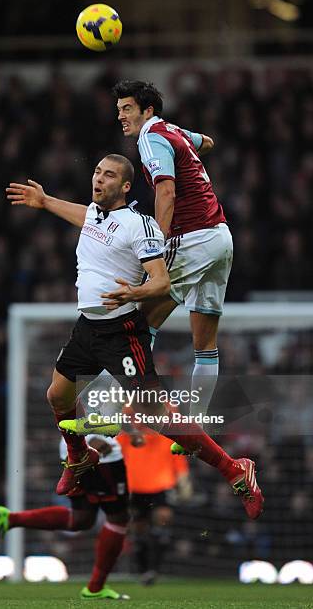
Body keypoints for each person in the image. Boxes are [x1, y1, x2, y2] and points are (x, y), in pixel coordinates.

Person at [6, 154, 264, 521]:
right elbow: (85, 219)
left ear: (125, 186)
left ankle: (233, 468)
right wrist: (45, 201)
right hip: (88, 328)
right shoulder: (97, 215)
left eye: (108, 175)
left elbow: (160, 281)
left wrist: (132, 295)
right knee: (57, 395)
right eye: (96, 172)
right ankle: (79, 456)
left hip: (121, 333)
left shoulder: (138, 225)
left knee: (158, 417)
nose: (98, 179)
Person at [112, 80, 234, 430]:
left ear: (147, 110)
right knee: (205, 343)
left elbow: (166, 189)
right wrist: (185, 150)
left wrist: (157, 244)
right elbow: (206, 143)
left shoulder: (150, 137)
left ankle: (119, 408)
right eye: (119, 110)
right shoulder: (170, 131)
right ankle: (195, 427)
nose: (121, 116)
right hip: (220, 237)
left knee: (138, 324)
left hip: (191, 237)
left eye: (127, 109)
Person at [0, 434, 130, 601]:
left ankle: (10, 519)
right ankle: (95, 588)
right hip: (99, 451)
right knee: (118, 518)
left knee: (81, 518)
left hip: (75, 447)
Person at [118, 430, 191, 585]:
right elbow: (117, 455)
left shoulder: (168, 433)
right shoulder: (127, 430)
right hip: (134, 486)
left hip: (162, 486)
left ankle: (155, 568)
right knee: (138, 528)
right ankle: (144, 570)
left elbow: (179, 458)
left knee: (163, 519)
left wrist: (184, 482)